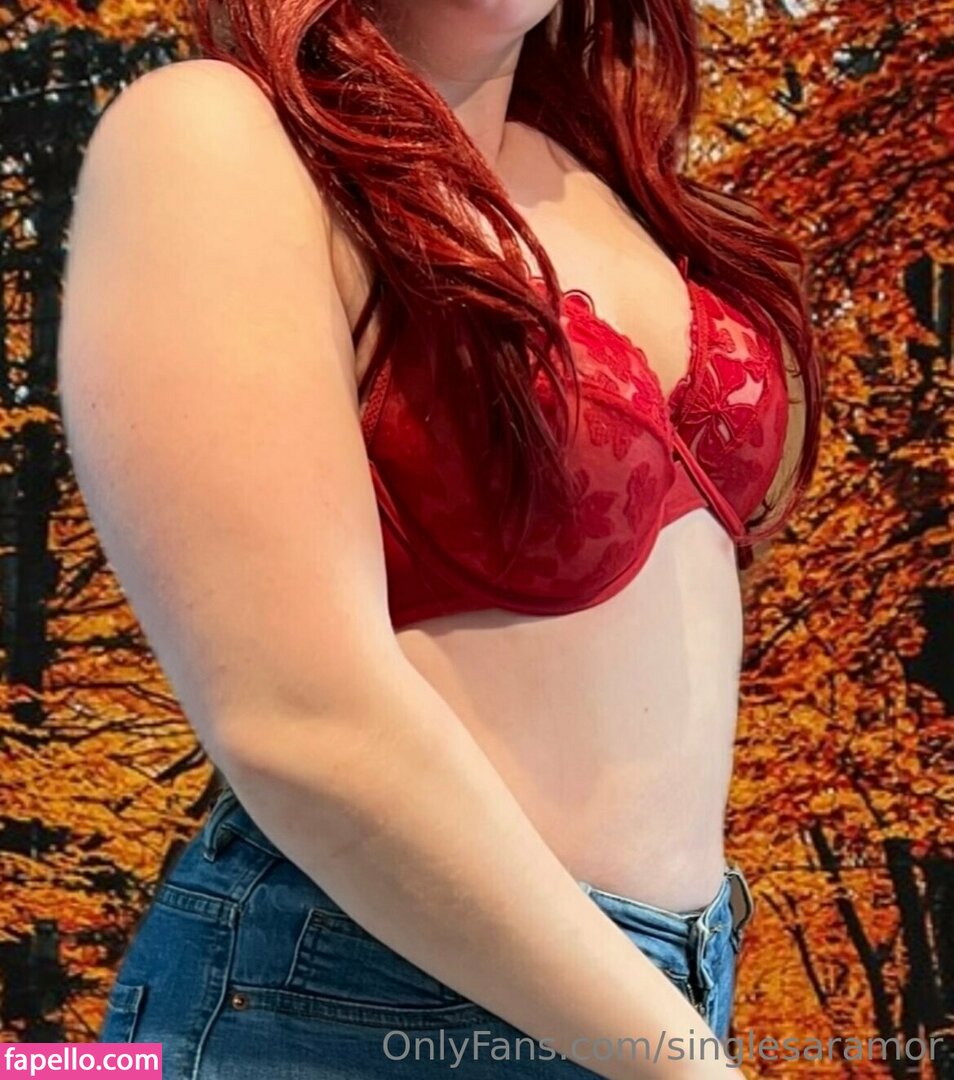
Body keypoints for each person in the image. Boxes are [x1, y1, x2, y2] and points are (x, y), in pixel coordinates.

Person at [57, 0, 821, 1076]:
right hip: (345, 1004)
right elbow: (296, 720)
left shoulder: (603, 177)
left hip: (654, 997)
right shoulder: (218, 138)